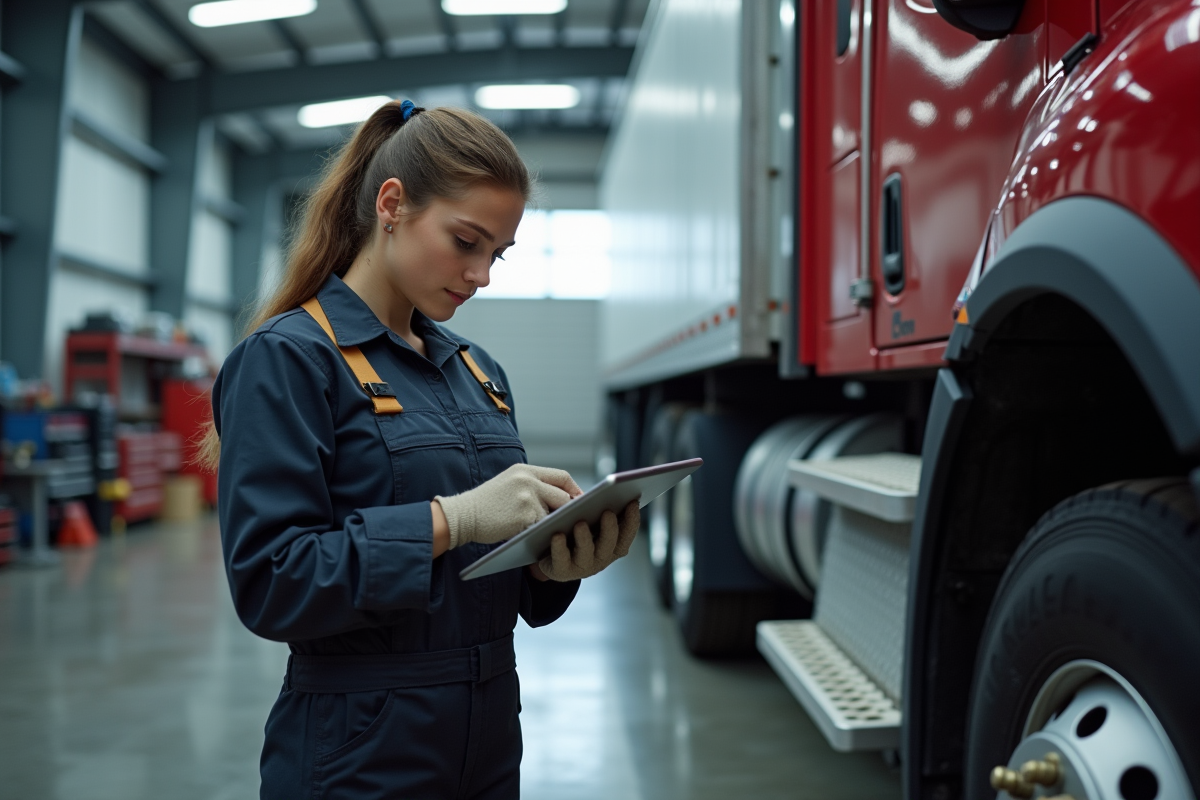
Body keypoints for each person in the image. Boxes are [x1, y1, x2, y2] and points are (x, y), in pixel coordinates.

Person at [201, 100, 639, 799]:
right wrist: (451, 520)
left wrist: (561, 562)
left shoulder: (478, 372)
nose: (482, 274)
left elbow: (502, 582)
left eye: (497, 253)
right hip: (360, 751)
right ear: (392, 204)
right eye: (466, 242)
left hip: (489, 739)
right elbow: (273, 582)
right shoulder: (288, 360)